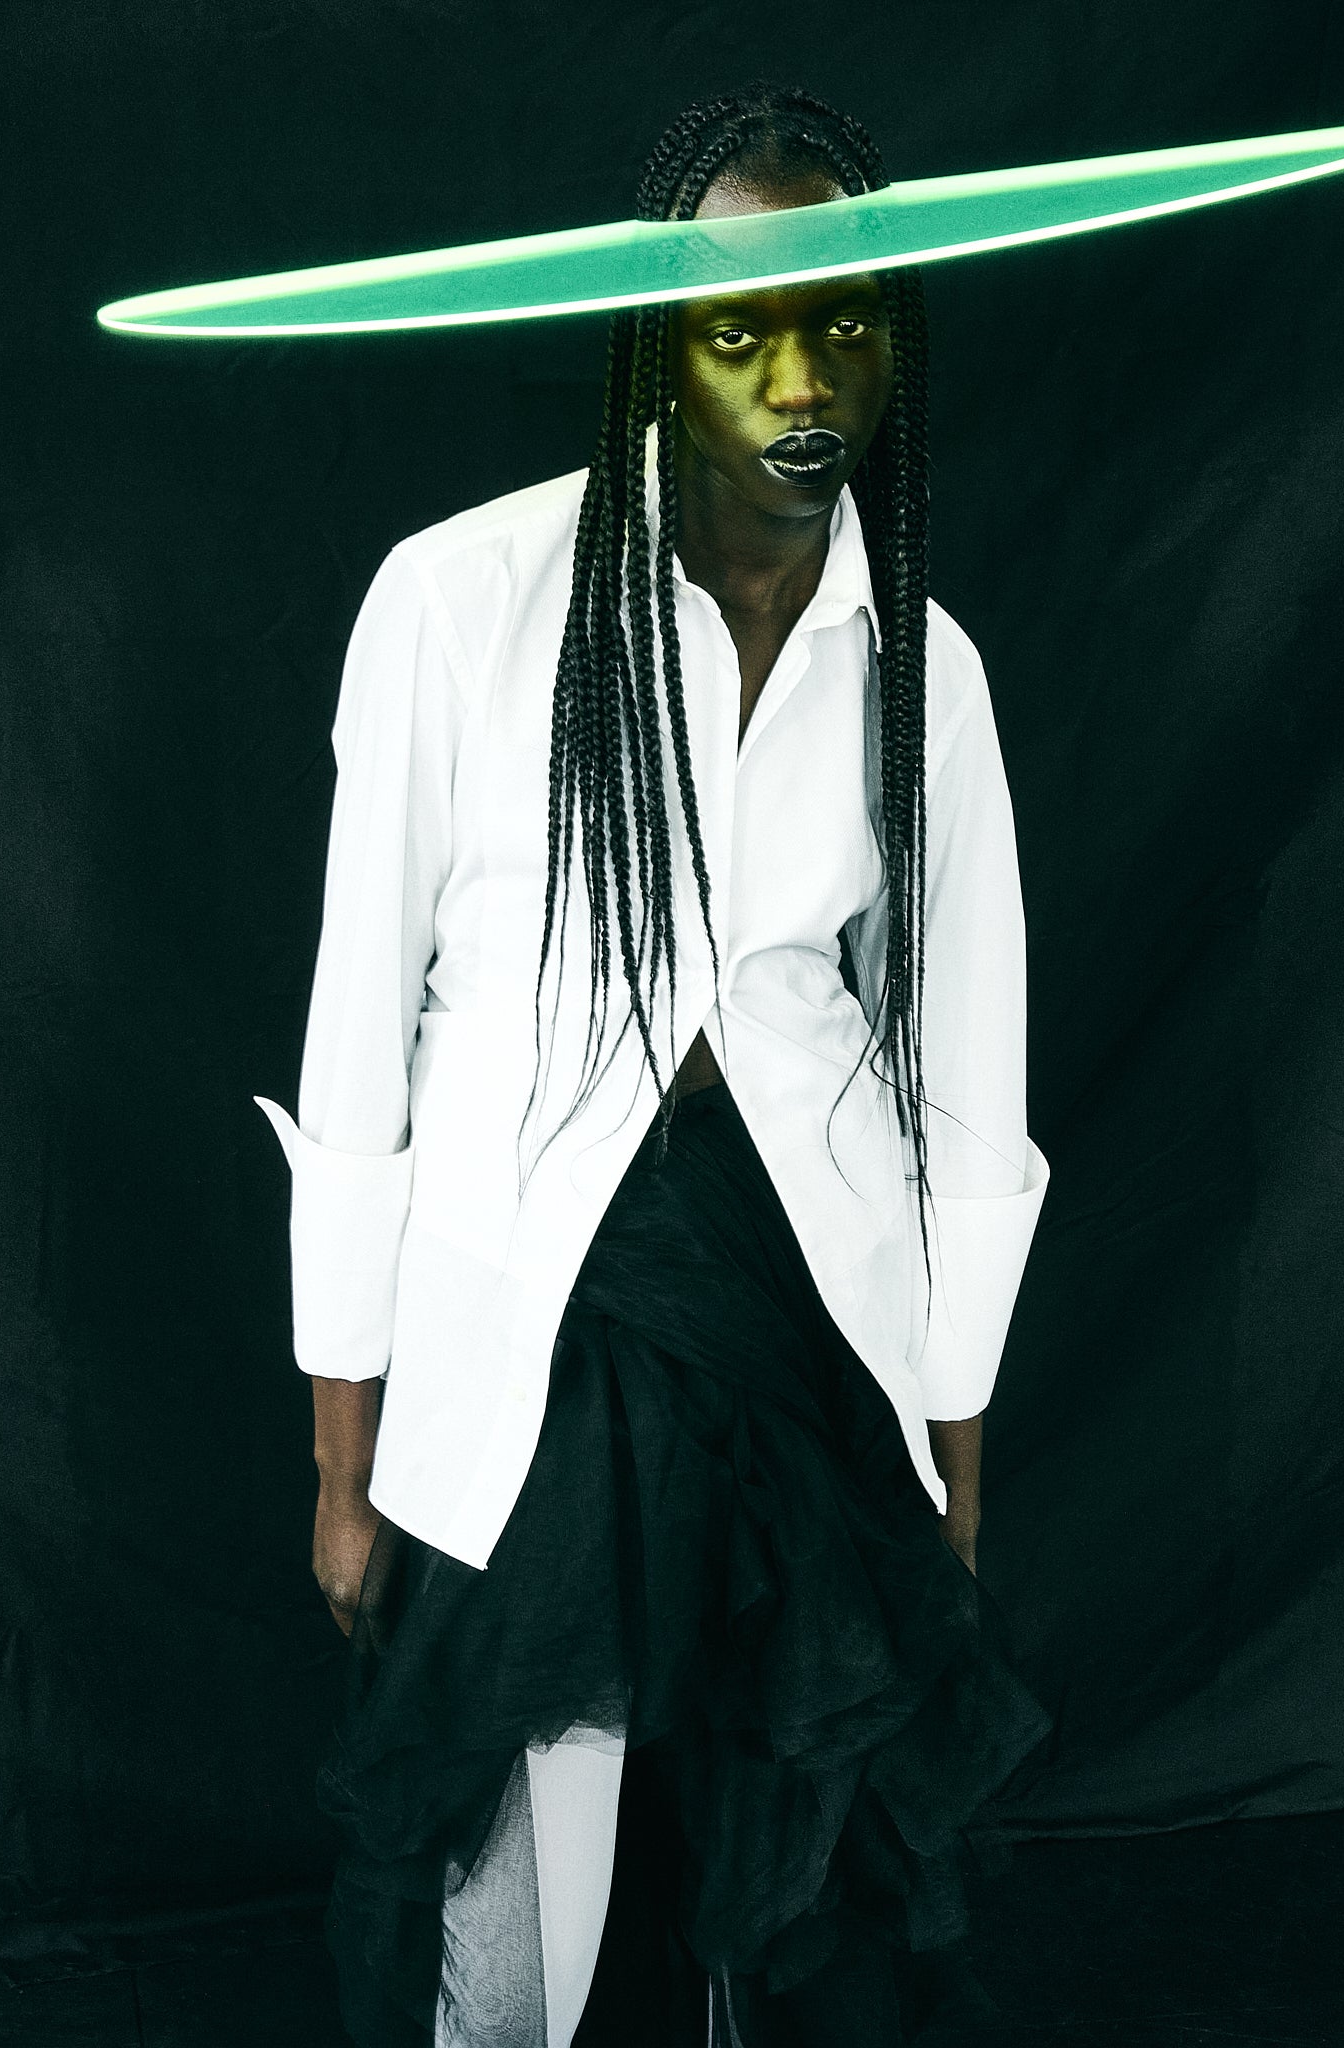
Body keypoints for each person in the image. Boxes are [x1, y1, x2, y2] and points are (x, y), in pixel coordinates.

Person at [254, 79, 1052, 2048]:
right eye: (737, 322)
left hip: (797, 1321)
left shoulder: (922, 665)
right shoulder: (461, 600)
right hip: (539, 1316)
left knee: (792, 1842)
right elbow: (357, 1035)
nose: (800, 373)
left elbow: (967, 1088)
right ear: (654, 342)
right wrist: (347, 1458)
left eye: (844, 316)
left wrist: (945, 1463)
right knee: (526, 1870)